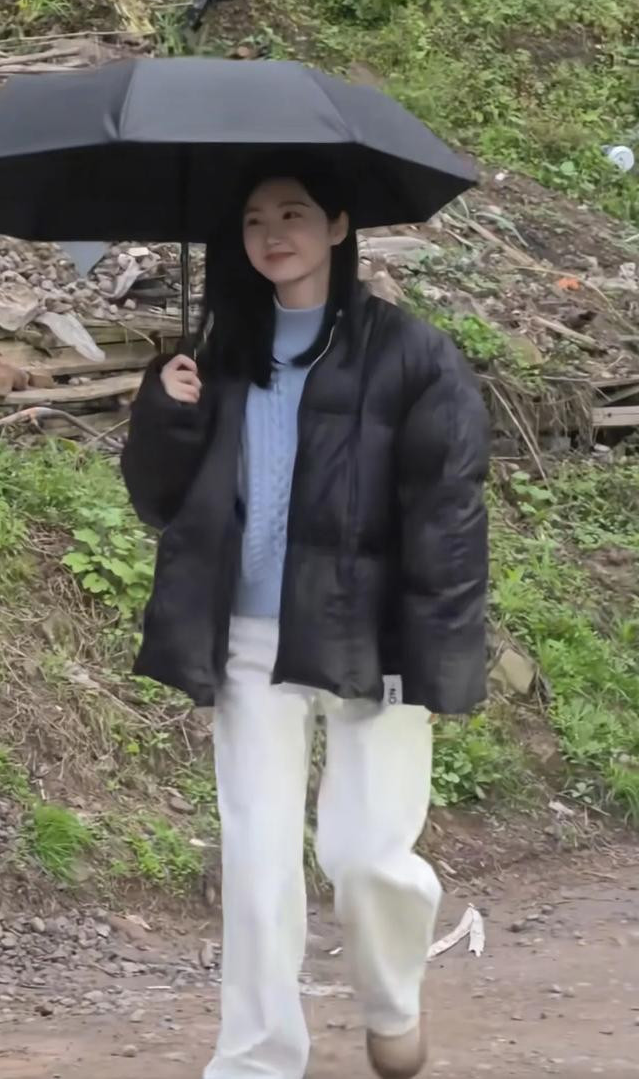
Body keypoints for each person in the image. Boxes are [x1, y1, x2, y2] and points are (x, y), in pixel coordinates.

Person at [122, 152, 489, 1079]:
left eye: (292, 213)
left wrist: (437, 654)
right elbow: (161, 502)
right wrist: (166, 413)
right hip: (248, 639)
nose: (271, 234)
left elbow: (449, 517)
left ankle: (392, 997)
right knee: (256, 860)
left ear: (337, 226)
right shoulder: (218, 357)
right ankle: (255, 1059)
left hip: (372, 640)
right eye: (253, 220)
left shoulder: (413, 356)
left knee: (366, 856)